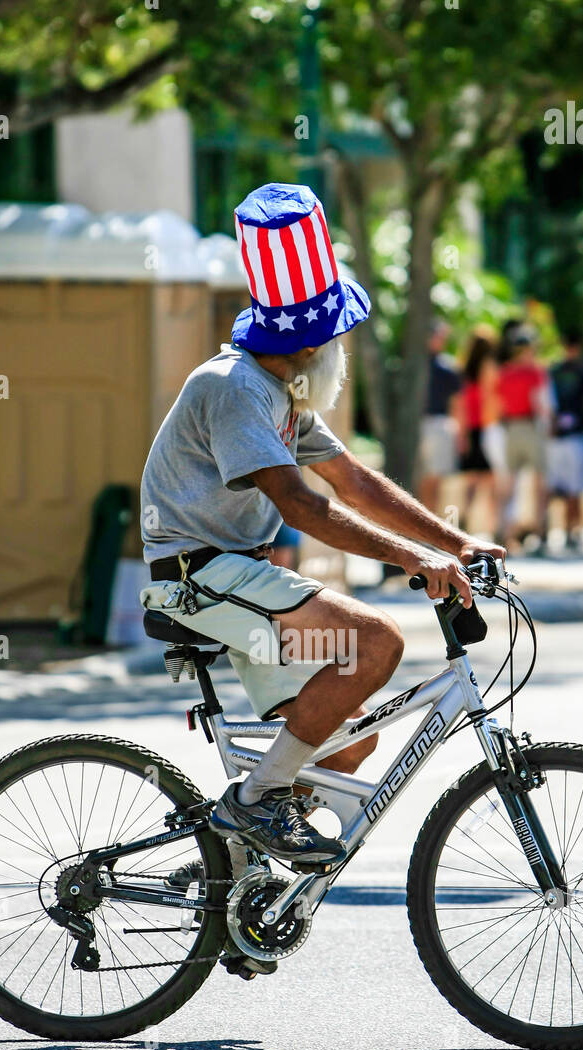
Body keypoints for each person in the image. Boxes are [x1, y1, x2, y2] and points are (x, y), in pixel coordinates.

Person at [139, 183, 504, 868]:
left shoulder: (283, 392)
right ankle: (256, 804)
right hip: (196, 576)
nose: (343, 343)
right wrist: (415, 560)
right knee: (377, 642)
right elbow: (303, 506)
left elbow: (353, 481)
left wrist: (456, 544)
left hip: (234, 575)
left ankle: (236, 873)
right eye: (338, 332)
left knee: (346, 744)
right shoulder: (236, 388)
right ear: (310, 345)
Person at [546, 330, 583, 550]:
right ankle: (574, 530)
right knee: (575, 488)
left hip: (555, 436)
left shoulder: (553, 370)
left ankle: (560, 530)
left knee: (558, 488)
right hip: (577, 435)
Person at [497, 325, 552, 547]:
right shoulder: (535, 372)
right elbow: (540, 403)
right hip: (530, 426)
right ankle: (540, 530)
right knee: (539, 482)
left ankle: (504, 529)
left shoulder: (505, 372)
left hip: (510, 428)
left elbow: (499, 404)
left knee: (510, 482)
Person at [451, 326, 501, 538]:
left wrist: (461, 435)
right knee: (492, 484)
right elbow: (494, 399)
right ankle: (494, 529)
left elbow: (459, 406)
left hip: (470, 429)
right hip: (487, 428)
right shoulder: (489, 368)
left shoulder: (462, 371)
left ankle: (465, 522)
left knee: (471, 483)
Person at [414, 320, 462, 516]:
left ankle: (432, 520)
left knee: (435, 478)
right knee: (425, 477)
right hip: (420, 425)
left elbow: (457, 403)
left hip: (439, 423)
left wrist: (459, 432)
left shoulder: (447, 367)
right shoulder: (415, 365)